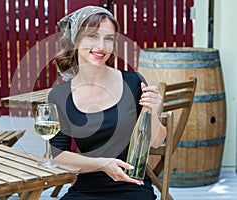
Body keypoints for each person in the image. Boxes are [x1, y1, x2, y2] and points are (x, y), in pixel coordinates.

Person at [48, 6, 166, 199]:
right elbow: (59, 156)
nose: (102, 46)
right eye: (93, 36)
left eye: (109, 38)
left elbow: (156, 142)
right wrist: (103, 164)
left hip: (132, 186)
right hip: (86, 188)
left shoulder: (133, 82)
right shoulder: (60, 95)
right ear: (76, 40)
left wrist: (153, 113)